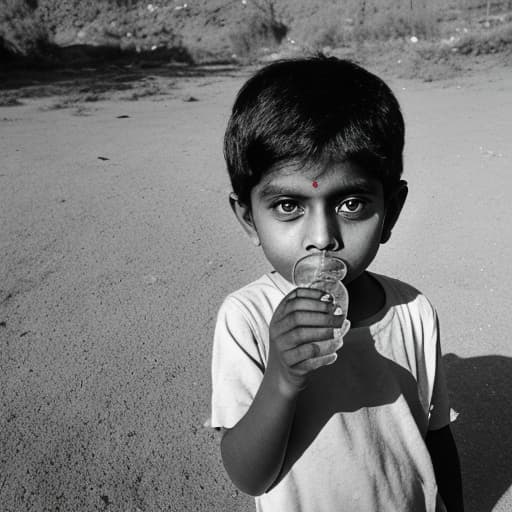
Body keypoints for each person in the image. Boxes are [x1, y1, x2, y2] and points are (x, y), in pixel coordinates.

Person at [209, 56, 464, 512]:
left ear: (392, 210)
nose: (322, 238)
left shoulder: (413, 311)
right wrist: (282, 378)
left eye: (351, 203)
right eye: (288, 205)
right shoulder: (246, 318)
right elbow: (249, 476)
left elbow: (437, 434)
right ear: (249, 218)